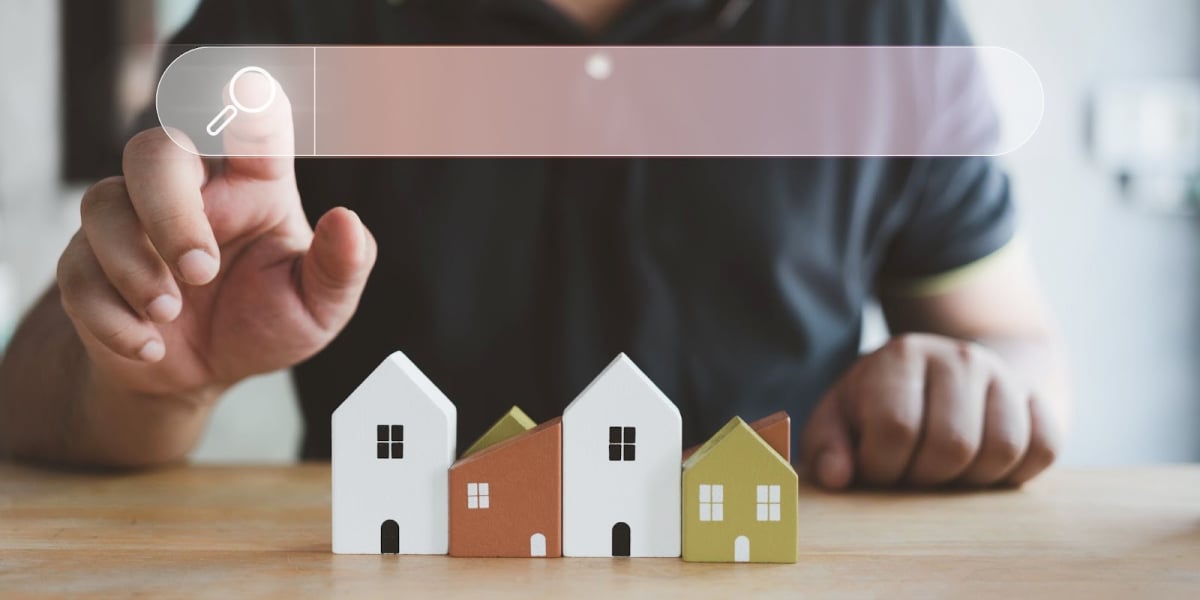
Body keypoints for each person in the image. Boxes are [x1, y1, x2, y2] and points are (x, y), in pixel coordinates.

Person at [0, 0, 1067, 490]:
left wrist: (972, 387)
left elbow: (1013, 346)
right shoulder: (285, 18)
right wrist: (157, 374)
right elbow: (28, 401)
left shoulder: (889, 25)